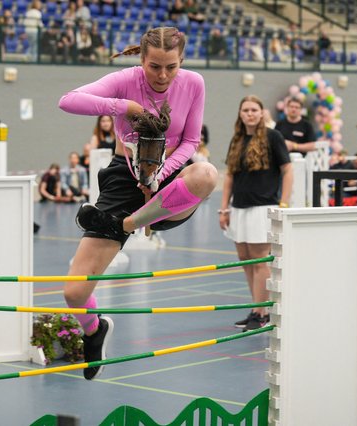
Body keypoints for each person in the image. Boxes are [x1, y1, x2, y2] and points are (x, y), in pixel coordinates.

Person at [58, 27, 217, 380]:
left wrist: (159, 175)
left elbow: (190, 140)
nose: (162, 76)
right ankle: (93, 330)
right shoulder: (125, 80)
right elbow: (67, 101)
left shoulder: (194, 83)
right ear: (141, 59)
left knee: (206, 174)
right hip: (123, 178)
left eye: (171, 67)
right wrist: (125, 107)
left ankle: (127, 225)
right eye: (154, 67)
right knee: (73, 293)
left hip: (170, 181)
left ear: (182, 62)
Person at [219, 95, 292, 332]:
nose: (250, 114)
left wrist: (284, 202)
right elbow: (229, 175)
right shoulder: (237, 139)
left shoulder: (273, 137)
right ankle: (256, 309)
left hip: (263, 208)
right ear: (240, 114)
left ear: (262, 113)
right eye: (245, 110)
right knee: (246, 261)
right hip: (239, 208)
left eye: (254, 110)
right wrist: (224, 208)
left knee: (260, 262)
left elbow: (287, 170)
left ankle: (262, 313)